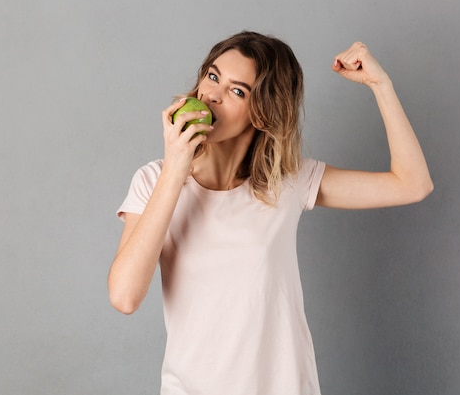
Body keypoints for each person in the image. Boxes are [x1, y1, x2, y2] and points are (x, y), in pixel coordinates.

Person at [108, 31, 433, 395]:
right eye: (212, 76)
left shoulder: (288, 181)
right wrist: (175, 169)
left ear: (263, 113)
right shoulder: (154, 180)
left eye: (237, 91)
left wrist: (381, 85)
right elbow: (124, 297)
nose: (211, 94)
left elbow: (412, 184)